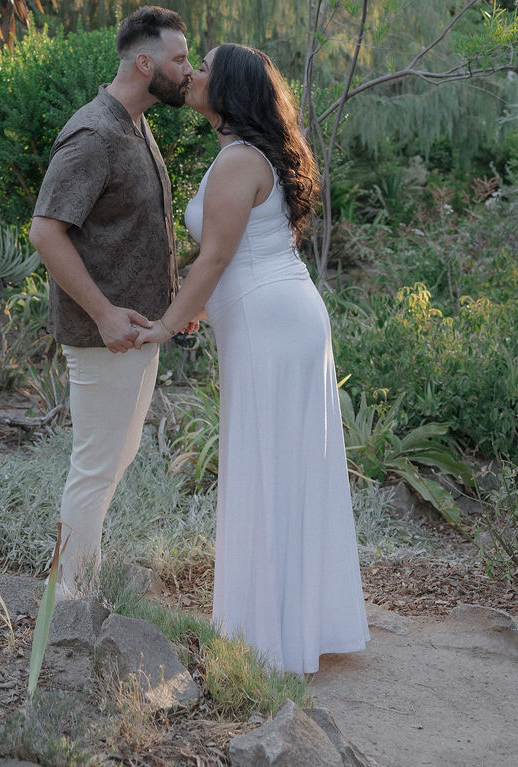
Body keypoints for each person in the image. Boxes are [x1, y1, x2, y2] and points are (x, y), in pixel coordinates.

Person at [137, 43, 370, 675]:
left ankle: (271, 640)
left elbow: (214, 259)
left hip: (273, 323)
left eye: (205, 66)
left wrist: (164, 324)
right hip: (273, 314)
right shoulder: (245, 155)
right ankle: (289, 626)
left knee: (271, 466)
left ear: (231, 88)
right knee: (282, 465)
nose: (193, 74)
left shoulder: (240, 159)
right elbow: (239, 259)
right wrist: (199, 310)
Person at [29, 6, 193, 597]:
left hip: (133, 332)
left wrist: (175, 302)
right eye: (179, 59)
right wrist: (102, 313)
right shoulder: (95, 133)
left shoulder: (134, 123)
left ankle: (79, 581)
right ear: (145, 63)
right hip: (106, 335)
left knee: (114, 460)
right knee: (96, 466)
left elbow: (131, 230)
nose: (188, 71)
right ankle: (71, 597)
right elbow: (45, 232)